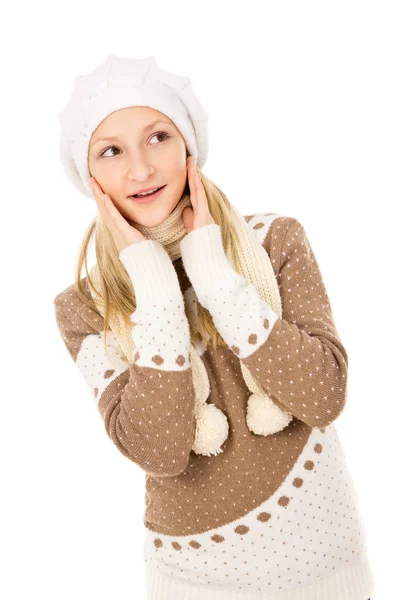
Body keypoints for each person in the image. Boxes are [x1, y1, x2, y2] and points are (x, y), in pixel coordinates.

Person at [53, 54, 376, 599]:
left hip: (324, 571)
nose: (140, 169)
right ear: (90, 177)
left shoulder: (275, 240)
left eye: (157, 136)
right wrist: (154, 293)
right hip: (192, 582)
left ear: (188, 145)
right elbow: (161, 451)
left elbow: (323, 396)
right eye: (112, 150)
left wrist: (215, 273)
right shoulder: (86, 308)